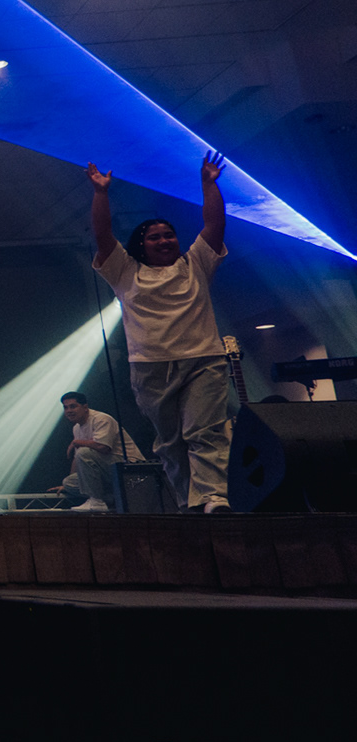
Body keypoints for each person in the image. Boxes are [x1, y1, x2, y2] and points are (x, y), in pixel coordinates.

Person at [89, 153, 232, 512]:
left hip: (203, 360)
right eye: (155, 237)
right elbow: (103, 235)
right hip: (151, 366)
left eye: (169, 235)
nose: (165, 240)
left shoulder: (196, 263)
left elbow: (215, 224)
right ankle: (188, 502)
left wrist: (208, 185)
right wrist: (101, 193)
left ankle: (213, 496)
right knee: (171, 442)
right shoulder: (125, 271)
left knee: (206, 431)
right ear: (141, 244)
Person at [46, 392, 142, 512]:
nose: (69, 411)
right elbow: (77, 458)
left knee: (84, 452)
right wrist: (67, 486)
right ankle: (112, 498)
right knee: (69, 482)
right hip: (107, 473)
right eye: (66, 407)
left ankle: (96, 501)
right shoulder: (76, 428)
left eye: (73, 406)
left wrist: (77, 442)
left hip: (129, 469)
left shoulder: (101, 419)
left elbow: (103, 447)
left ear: (85, 407)